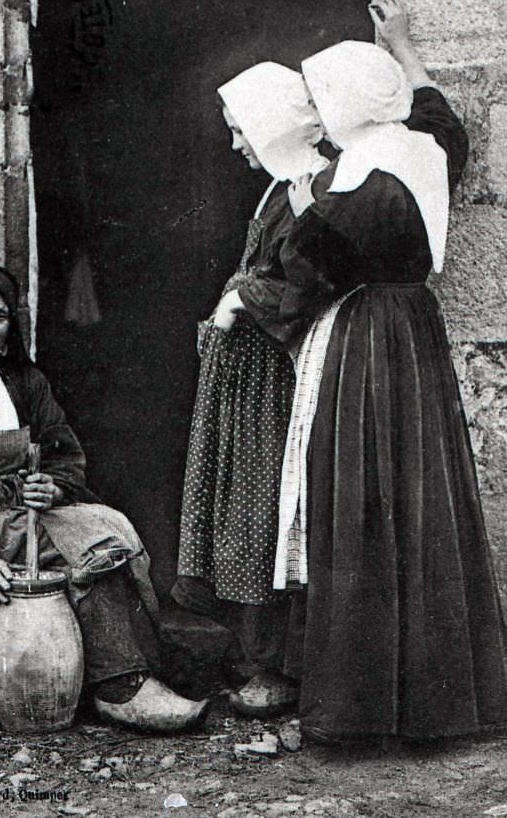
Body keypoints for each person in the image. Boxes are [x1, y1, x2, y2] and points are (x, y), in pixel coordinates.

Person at [267, 0, 507, 742]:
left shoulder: (358, 178)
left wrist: (300, 209)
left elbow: (308, 270)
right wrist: (400, 42)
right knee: (421, 499)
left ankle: (364, 710)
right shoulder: (423, 146)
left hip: (368, 335)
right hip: (416, 332)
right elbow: (438, 112)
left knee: (363, 500)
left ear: (342, 104)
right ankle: (439, 697)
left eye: (323, 94)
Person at [0, 260, 207, 732]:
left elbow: (63, 454)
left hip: (22, 524)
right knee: (93, 548)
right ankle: (119, 686)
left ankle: (128, 672)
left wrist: (52, 484)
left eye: (0, 316)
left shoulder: (26, 382)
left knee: (112, 529)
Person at [172, 62, 327, 716]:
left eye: (242, 130)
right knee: (239, 502)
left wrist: (242, 300)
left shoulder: (315, 190)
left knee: (267, 507)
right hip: (243, 374)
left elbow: (310, 282)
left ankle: (281, 666)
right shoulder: (277, 187)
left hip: (273, 375)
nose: (236, 145)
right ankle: (251, 654)